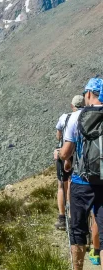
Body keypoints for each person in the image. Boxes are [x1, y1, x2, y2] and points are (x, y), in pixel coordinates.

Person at [54, 78, 103, 270]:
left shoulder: (77, 117)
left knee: (77, 232)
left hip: (81, 182)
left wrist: (59, 155)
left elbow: (66, 152)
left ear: (89, 94)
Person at [55, 95, 85, 230]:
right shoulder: (87, 117)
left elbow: (58, 136)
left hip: (65, 152)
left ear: (72, 106)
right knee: (73, 184)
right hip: (80, 156)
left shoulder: (65, 117)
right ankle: (73, 215)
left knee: (62, 185)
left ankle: (62, 218)